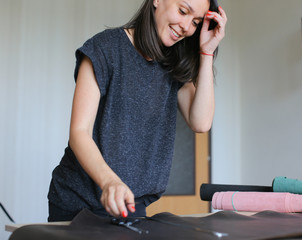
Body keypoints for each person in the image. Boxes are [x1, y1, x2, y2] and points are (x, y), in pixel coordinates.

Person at [47, 0, 227, 221]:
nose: (187, 27)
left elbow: (201, 122)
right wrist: (110, 182)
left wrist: (207, 53)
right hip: (78, 201)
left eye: (196, 22)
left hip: (131, 203)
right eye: (183, 11)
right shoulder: (105, 49)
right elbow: (79, 133)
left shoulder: (173, 65)